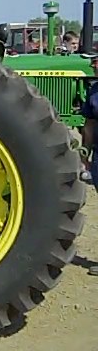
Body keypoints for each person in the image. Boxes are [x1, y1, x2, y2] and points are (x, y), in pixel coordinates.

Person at [79, 55, 98, 274]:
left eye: (96, 61)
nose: (92, 65)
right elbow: (89, 123)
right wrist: (85, 153)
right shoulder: (94, 91)